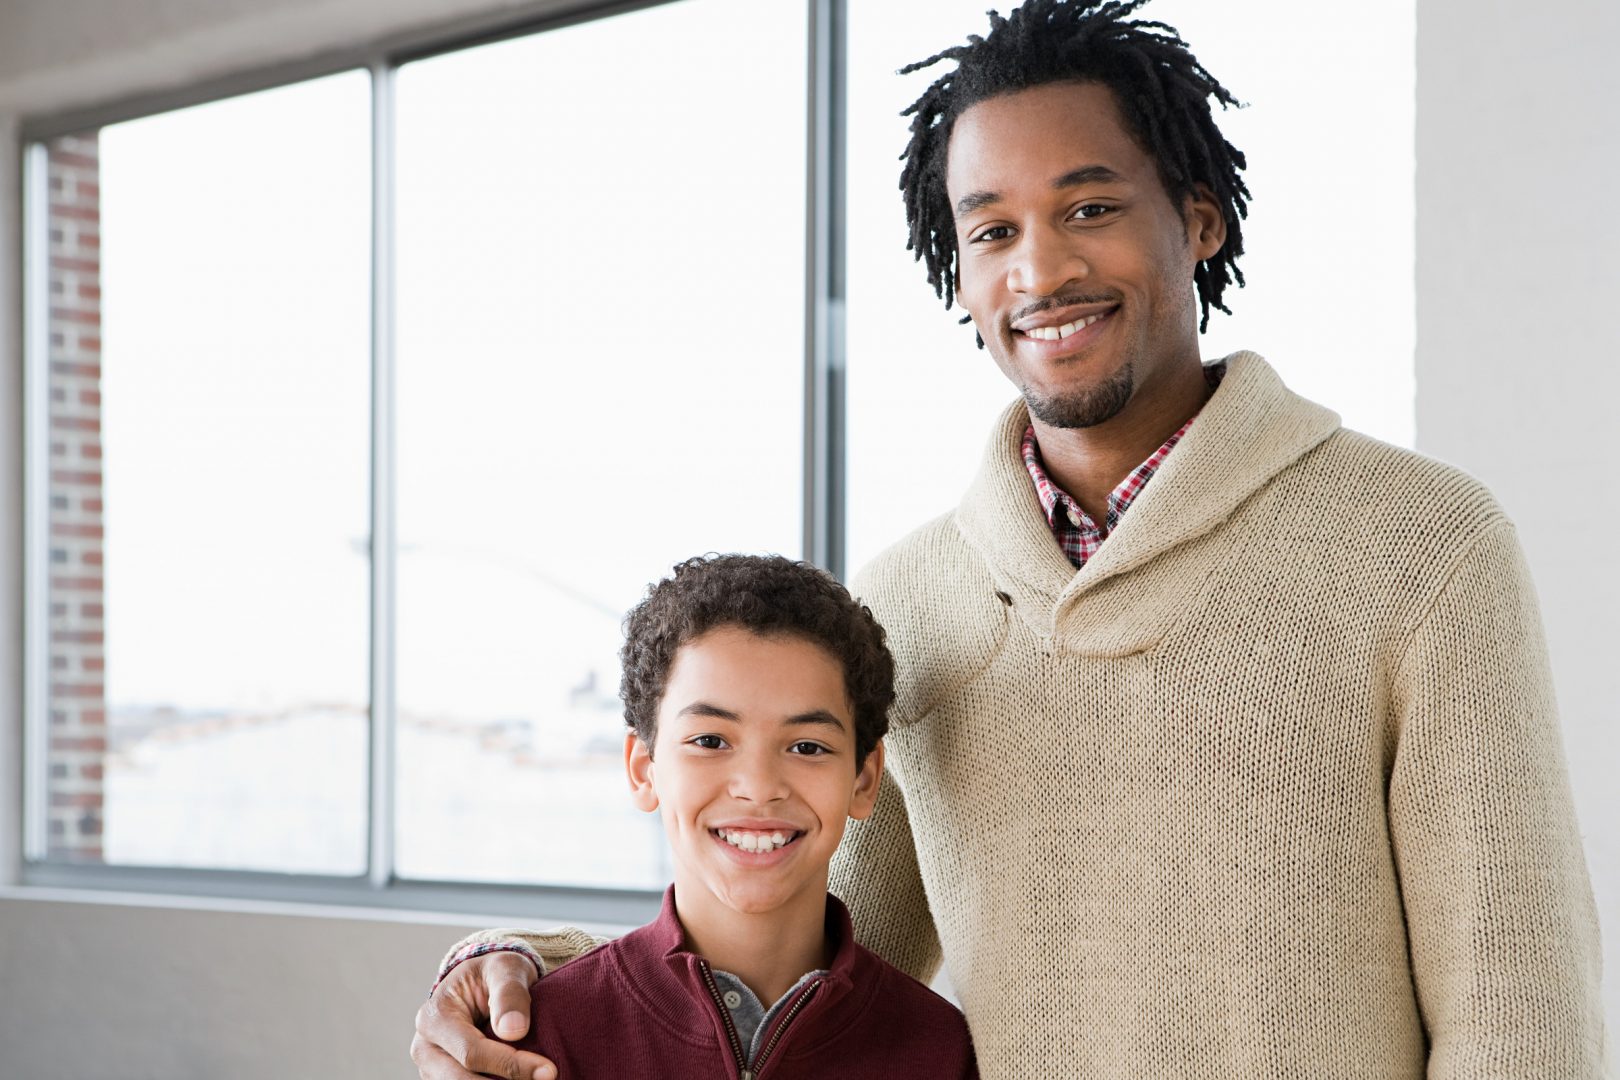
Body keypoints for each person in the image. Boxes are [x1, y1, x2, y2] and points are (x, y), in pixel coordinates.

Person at [411, 2, 1607, 1077]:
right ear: (959, 271)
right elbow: (788, 927)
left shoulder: (1422, 547)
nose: (1042, 268)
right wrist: (530, 964)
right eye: (992, 231)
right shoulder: (912, 602)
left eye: (1090, 207)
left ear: (1198, 218)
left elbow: (1521, 1016)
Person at [424, 554, 976, 1079]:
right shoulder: (540, 1040)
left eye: (807, 746)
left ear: (864, 779)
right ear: (644, 769)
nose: (758, 788)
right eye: (711, 740)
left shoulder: (940, 1050)